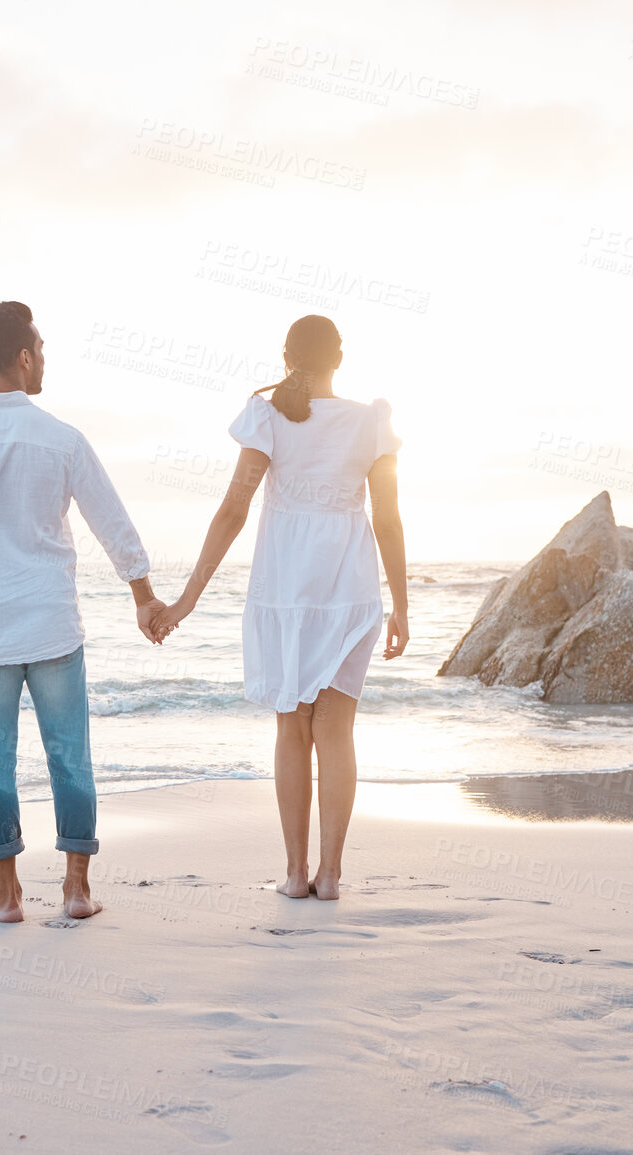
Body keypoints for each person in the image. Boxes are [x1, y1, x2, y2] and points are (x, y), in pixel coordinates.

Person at [0, 301, 170, 924]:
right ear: (24, 357)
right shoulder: (60, 437)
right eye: (43, 349)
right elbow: (111, 520)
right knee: (70, 757)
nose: (45, 359)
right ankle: (76, 891)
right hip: (52, 623)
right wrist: (143, 598)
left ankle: (7, 897)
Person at [153, 315, 407, 901]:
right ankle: (332, 875)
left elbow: (233, 510)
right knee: (336, 730)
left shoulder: (267, 415)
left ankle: (295, 875)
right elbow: (389, 521)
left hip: (285, 586)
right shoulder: (371, 422)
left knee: (292, 727)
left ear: (286, 356)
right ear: (339, 358)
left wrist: (188, 598)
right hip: (349, 586)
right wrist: (401, 604)